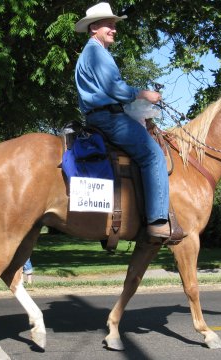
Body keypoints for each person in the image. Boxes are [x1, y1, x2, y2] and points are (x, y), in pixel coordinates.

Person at [74, 2, 185, 239]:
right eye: (109, 25)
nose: (114, 29)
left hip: (103, 115)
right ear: (94, 27)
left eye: (114, 26)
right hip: (109, 118)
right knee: (153, 154)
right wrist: (144, 94)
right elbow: (115, 89)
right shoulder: (96, 52)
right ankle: (157, 221)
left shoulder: (93, 52)